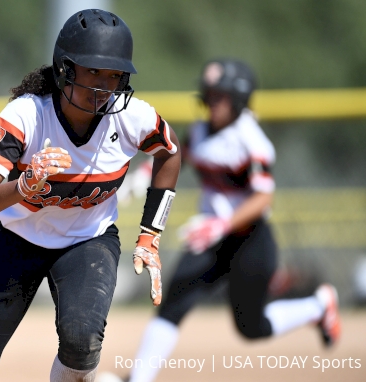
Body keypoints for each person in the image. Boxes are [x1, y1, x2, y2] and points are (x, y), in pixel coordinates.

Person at [0, 9, 181, 382]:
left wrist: (151, 233)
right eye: (94, 72)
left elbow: (169, 152)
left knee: (82, 341)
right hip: (17, 240)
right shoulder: (26, 116)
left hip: (88, 240)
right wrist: (21, 187)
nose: (105, 87)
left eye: (115, 76)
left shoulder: (132, 117)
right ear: (65, 69)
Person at [119, 58, 342, 382]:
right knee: (173, 303)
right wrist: (142, 176)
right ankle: (140, 378)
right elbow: (174, 154)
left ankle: (318, 306)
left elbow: (264, 197)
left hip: (249, 240)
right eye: (208, 94)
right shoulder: (199, 131)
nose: (211, 102)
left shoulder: (252, 141)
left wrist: (222, 224)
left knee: (251, 327)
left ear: (238, 99)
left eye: (219, 96)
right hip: (210, 237)